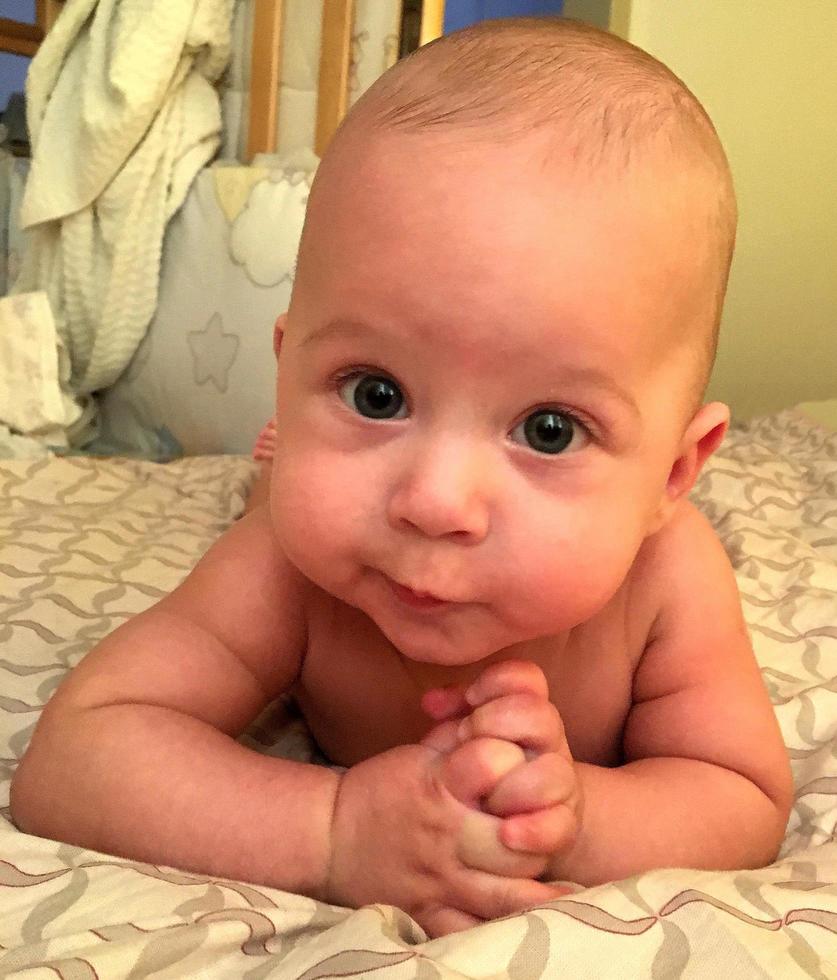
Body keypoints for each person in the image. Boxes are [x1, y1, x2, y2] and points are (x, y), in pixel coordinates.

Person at [10, 17, 793, 939]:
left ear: (672, 474)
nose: (432, 501)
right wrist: (330, 831)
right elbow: (78, 756)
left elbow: (740, 795)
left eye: (549, 430)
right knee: (283, 502)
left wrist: (576, 817)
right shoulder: (292, 567)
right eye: (375, 394)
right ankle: (277, 461)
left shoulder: (667, 581)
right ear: (288, 364)